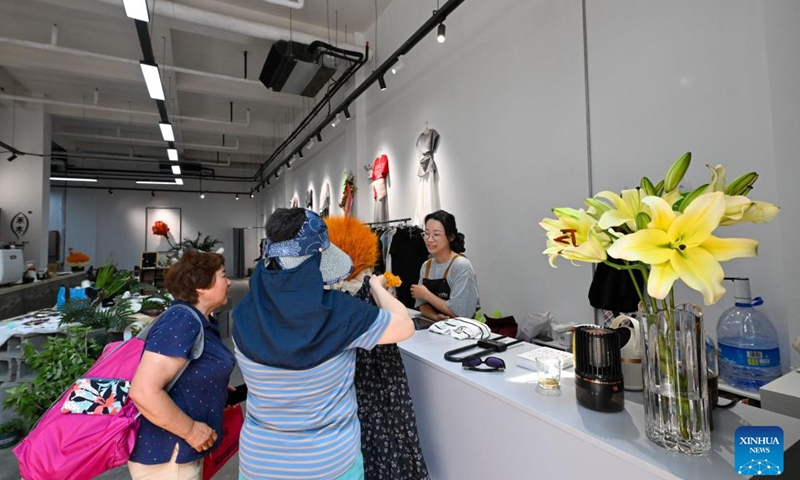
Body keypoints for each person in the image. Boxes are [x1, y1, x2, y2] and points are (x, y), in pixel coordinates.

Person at [232, 208, 415, 480]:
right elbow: (405, 325)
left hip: (260, 463)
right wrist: (376, 287)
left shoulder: (243, 314)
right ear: (315, 259)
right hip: (330, 463)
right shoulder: (341, 313)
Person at [128, 251, 236, 480]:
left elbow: (186, 371)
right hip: (168, 457)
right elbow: (144, 391)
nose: (228, 282)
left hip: (180, 454)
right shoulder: (181, 321)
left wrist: (212, 387)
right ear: (201, 286)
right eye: (223, 275)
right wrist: (191, 430)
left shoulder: (199, 321)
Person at [411, 210, 480, 320]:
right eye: (427, 233)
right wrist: (436, 317)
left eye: (436, 235)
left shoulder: (461, 266)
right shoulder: (426, 266)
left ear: (451, 237)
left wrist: (426, 295)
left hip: (461, 331)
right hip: (437, 327)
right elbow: (422, 305)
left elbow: (460, 312)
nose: (429, 239)